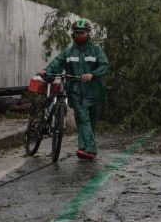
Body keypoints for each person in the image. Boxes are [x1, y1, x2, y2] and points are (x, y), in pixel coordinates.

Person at [39, 18, 109, 160]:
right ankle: (91, 150)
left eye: (82, 32)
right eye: (76, 32)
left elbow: (105, 65)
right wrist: (47, 71)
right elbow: (56, 63)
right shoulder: (68, 51)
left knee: (91, 121)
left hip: (94, 91)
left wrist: (92, 74)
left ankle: (83, 148)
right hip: (76, 90)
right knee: (83, 119)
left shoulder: (96, 49)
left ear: (88, 33)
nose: (79, 35)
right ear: (73, 34)